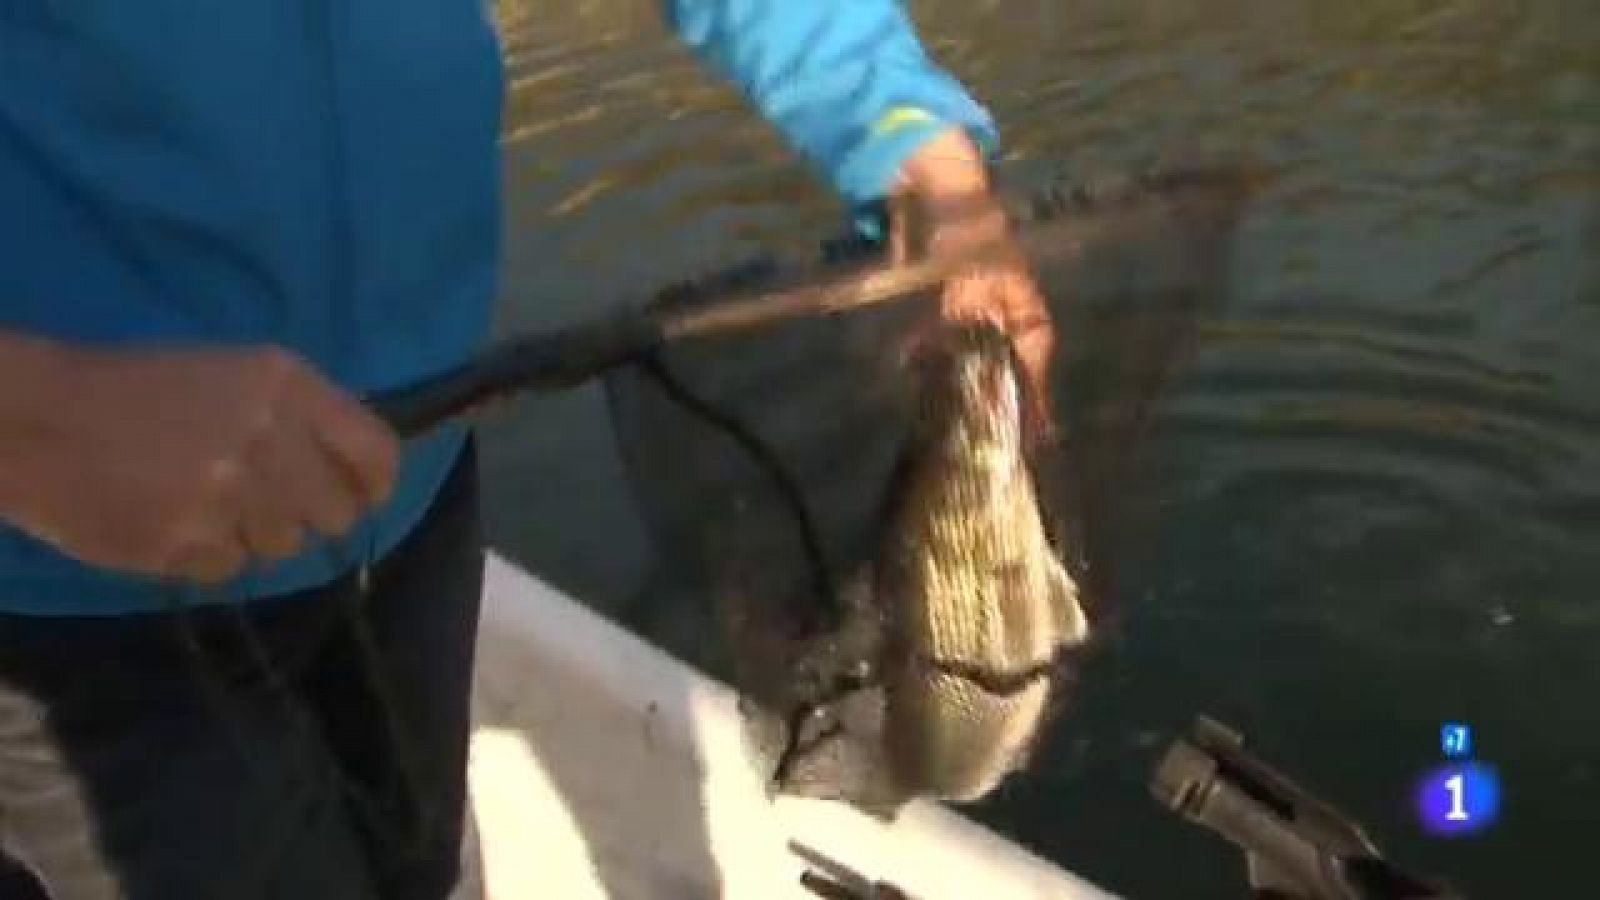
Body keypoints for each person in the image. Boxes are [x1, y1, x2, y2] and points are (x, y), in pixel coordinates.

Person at [0, 2, 1054, 898]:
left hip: (411, 487)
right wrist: (35, 418)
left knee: (422, 866)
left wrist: (908, 140)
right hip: (78, 615)